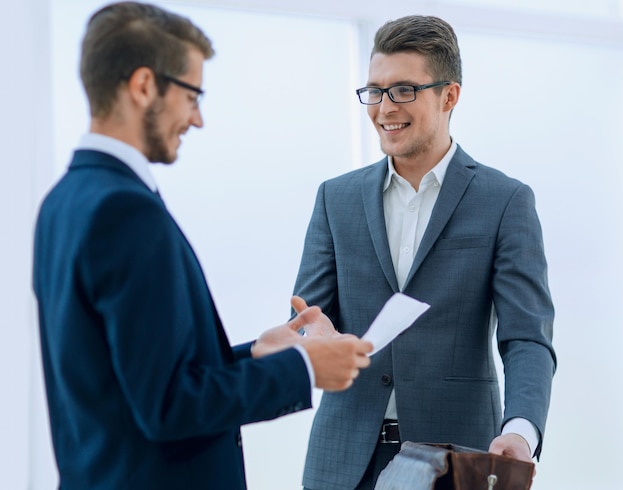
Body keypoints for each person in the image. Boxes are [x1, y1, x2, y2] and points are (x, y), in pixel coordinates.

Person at [32, 2, 373, 489]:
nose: (197, 120)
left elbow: (131, 379)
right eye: (192, 95)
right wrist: (303, 366)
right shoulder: (126, 212)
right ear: (145, 85)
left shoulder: (63, 202)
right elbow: (168, 406)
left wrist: (256, 353)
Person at [294, 15, 557, 490]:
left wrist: (520, 431)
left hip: (456, 461)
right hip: (341, 462)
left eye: (403, 90)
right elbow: (308, 317)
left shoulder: (505, 200)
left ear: (449, 95)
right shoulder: (336, 198)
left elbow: (527, 337)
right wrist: (312, 339)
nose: (383, 107)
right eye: (374, 90)